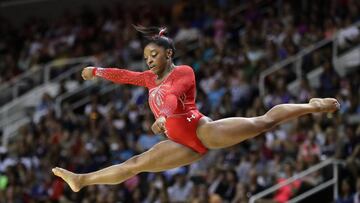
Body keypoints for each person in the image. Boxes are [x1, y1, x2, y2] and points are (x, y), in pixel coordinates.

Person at [52, 25, 340, 192]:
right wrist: (98, 71)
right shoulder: (149, 78)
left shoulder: (184, 72)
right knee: (135, 164)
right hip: (179, 143)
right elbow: (125, 75)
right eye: (145, 56)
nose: (149, 60)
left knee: (262, 123)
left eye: (154, 54)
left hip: (201, 131)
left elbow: (175, 96)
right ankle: (82, 180)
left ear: (169, 54)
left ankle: (310, 106)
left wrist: (163, 117)